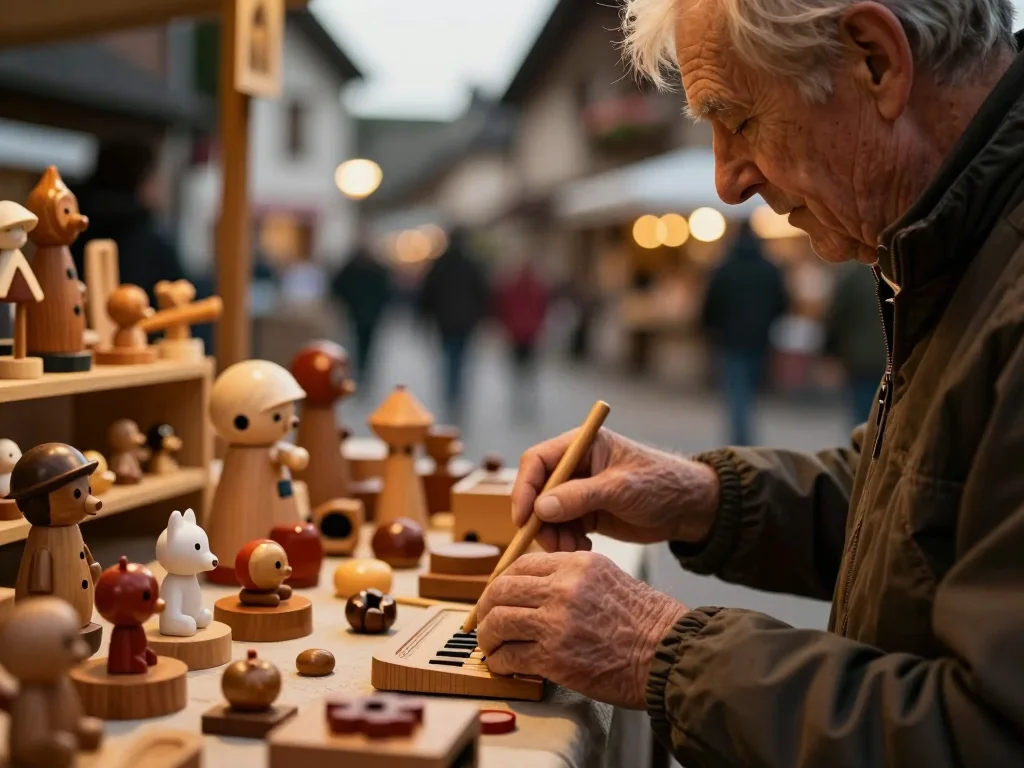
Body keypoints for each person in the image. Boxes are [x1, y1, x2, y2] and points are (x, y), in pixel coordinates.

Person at [475, 2, 1024, 766]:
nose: (727, 181)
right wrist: (702, 496)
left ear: (875, 61)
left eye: (737, 119)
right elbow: (922, 509)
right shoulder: (964, 241)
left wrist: (661, 652)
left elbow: (989, 738)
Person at [701, 220, 788, 444]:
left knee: (737, 391)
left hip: (730, 339)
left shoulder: (724, 268)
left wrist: (712, 330)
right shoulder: (770, 268)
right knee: (750, 389)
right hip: (760, 339)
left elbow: (710, 304)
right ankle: (745, 440)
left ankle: (740, 442)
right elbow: (782, 303)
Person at [71, 139, 187, 301]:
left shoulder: (70, 224)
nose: (160, 184)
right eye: (156, 176)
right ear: (142, 181)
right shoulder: (148, 240)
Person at [417, 227, 488, 423]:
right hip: (465, 322)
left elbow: (427, 293)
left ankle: (450, 395)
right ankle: (456, 396)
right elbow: (483, 293)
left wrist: (424, 317)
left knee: (449, 359)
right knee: (460, 360)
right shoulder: (472, 264)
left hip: (445, 322)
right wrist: (479, 318)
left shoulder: (440, 264)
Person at [823, 261, 888, 426]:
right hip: (895, 358)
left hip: (861, 359)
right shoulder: (905, 272)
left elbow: (838, 315)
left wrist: (830, 351)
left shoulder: (855, 275)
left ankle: (865, 448)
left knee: (864, 416)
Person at [330, 231, 392, 389]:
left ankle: (361, 373)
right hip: (363, 312)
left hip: (363, 312)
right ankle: (362, 373)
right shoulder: (370, 267)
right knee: (362, 345)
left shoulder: (356, 267)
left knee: (362, 344)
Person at [494, 260, 550, 418]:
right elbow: (542, 308)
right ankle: (527, 401)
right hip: (530, 333)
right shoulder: (537, 288)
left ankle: (519, 399)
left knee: (517, 370)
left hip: (516, 332)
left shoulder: (512, 286)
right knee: (529, 371)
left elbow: (503, 308)